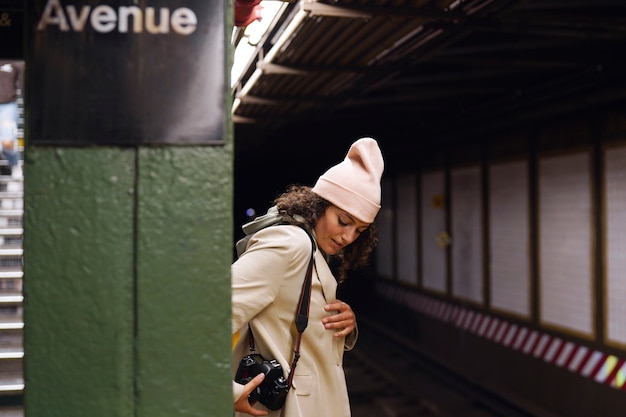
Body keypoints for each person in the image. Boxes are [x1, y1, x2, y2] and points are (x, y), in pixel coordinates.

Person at [231, 137, 384, 417]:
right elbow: (209, 315)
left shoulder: (312, 249)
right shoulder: (290, 244)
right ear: (319, 205)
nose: (349, 237)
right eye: (344, 221)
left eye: (360, 230)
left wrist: (344, 326)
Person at [0, 60, 24, 179]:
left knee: (8, 142)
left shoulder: (15, 61)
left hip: (7, 106)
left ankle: (15, 164)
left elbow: (24, 85)